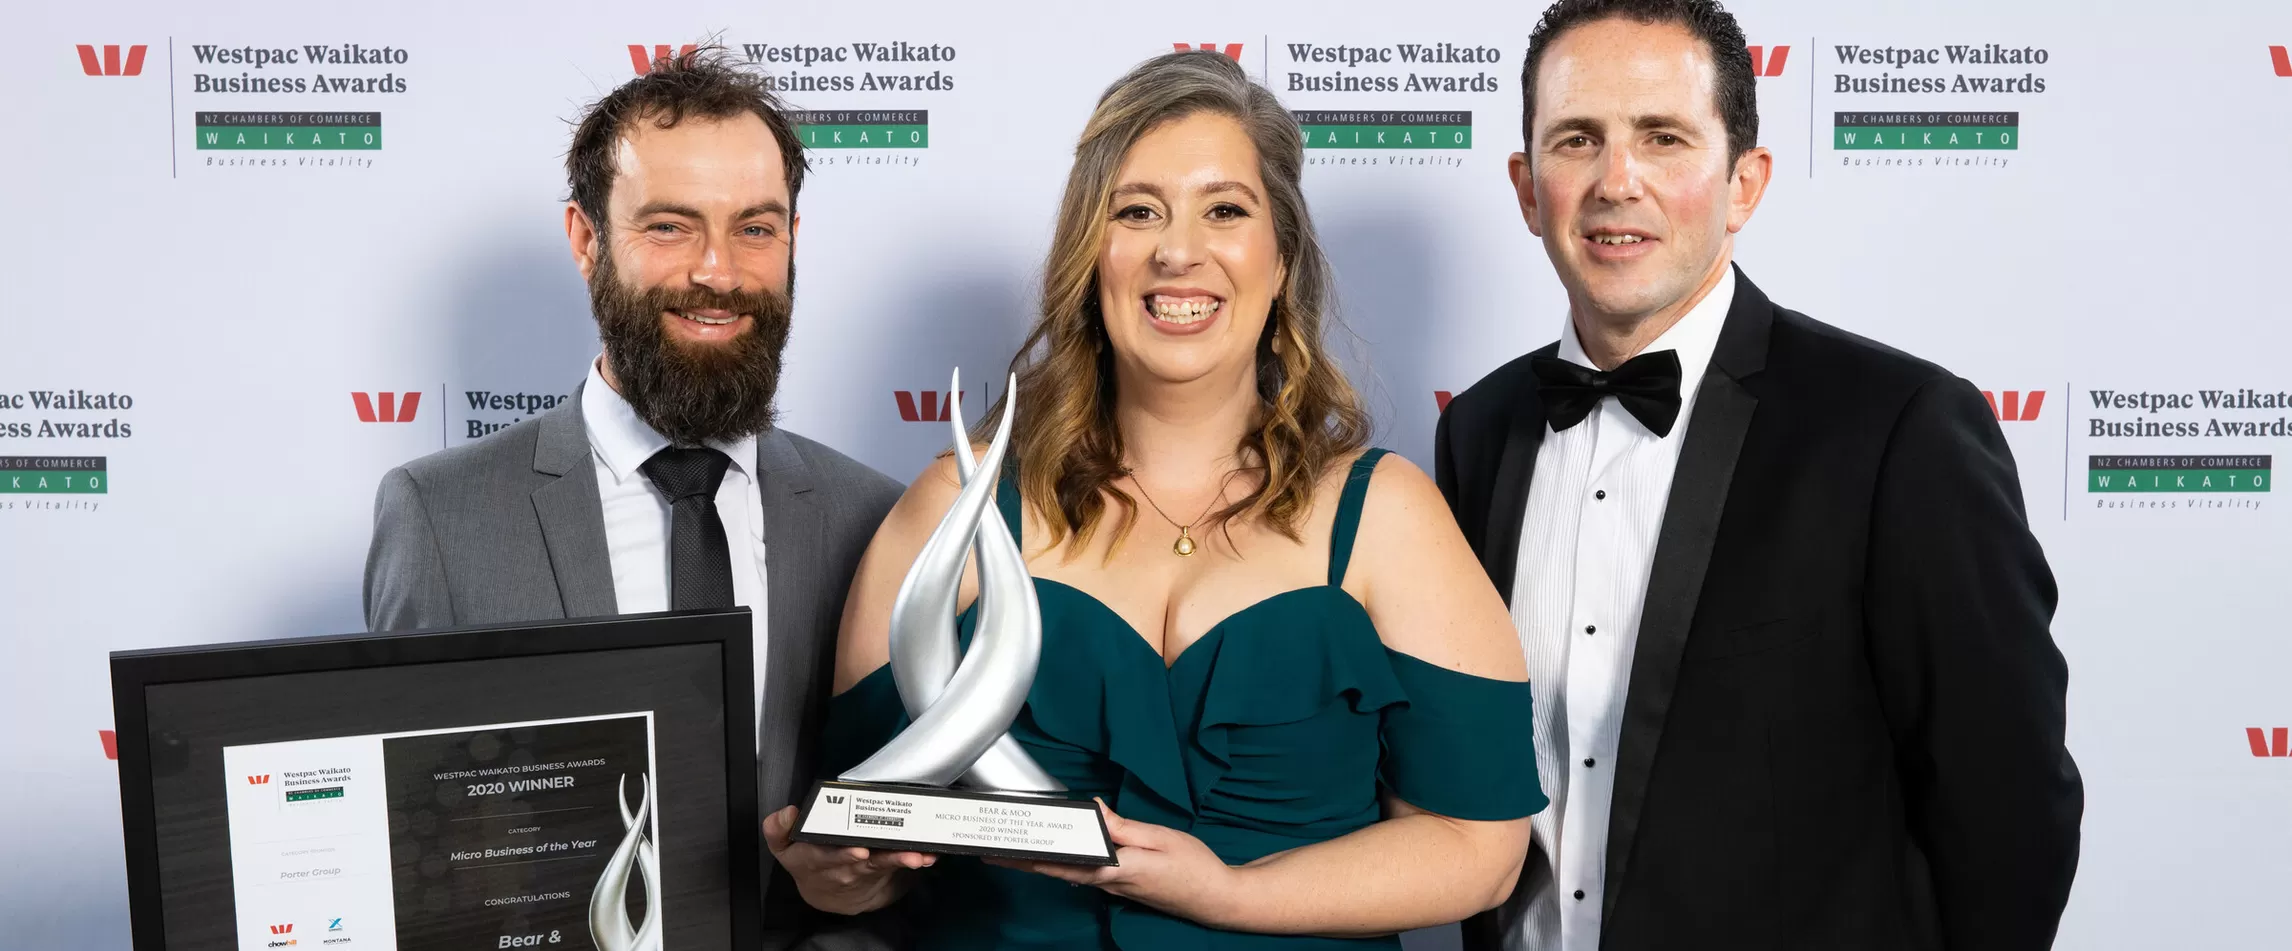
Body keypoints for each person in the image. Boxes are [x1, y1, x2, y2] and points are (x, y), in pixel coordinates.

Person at [762, 50, 1547, 950]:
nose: (1178, 251)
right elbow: (865, 851)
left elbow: (1479, 850)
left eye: (1225, 210)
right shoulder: (957, 506)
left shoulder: (1387, 516)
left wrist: (1230, 893)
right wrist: (836, 877)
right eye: (1136, 212)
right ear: (1089, 256)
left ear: (1281, 259)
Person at [1435, 2, 2084, 949]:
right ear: (1529, 189)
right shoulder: (1480, 431)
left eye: (1663, 137)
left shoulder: (1899, 429)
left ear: (1744, 183)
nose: (1617, 181)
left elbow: (2010, 811)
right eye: (1578, 140)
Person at [361, 48, 901, 950]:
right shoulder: (442, 518)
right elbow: (410, 848)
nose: (718, 271)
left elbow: (915, 856)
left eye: (755, 228)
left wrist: (872, 885)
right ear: (586, 239)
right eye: (670, 227)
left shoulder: (874, 519)